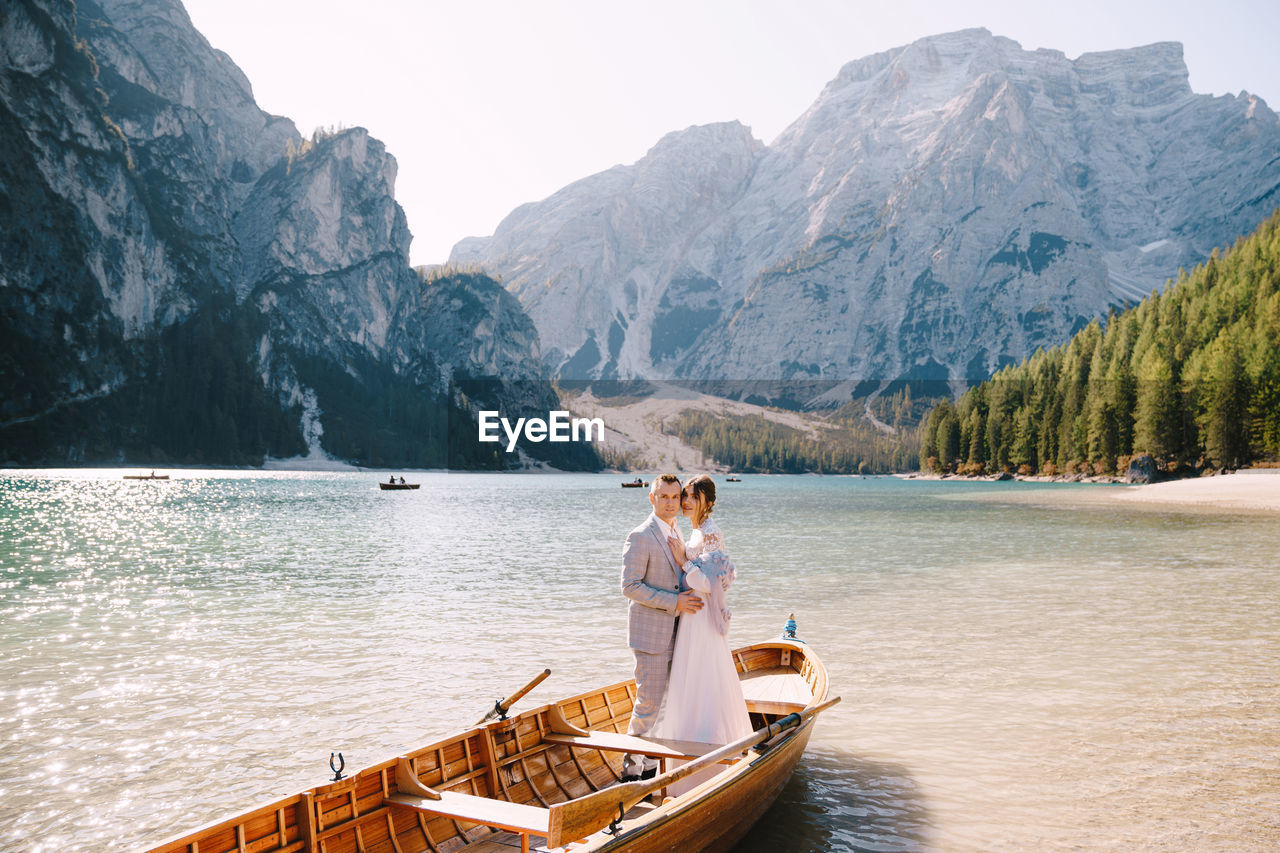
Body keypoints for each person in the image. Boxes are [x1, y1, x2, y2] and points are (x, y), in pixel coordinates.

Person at [654, 474, 752, 796]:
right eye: (684, 496)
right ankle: (687, 759)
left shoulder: (711, 533)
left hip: (702, 620)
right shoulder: (695, 531)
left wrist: (684, 563)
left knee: (704, 680)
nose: (684, 502)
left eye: (690, 497)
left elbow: (713, 583)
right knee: (690, 680)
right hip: (692, 617)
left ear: (706, 502)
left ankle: (707, 759)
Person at [620, 473, 705, 781]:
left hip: (677, 634)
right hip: (650, 635)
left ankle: (651, 768)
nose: (670, 503)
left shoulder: (677, 531)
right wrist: (675, 602)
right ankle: (630, 774)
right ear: (651, 498)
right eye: (663, 496)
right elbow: (630, 587)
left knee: (668, 703)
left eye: (675, 496)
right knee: (648, 704)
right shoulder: (640, 535)